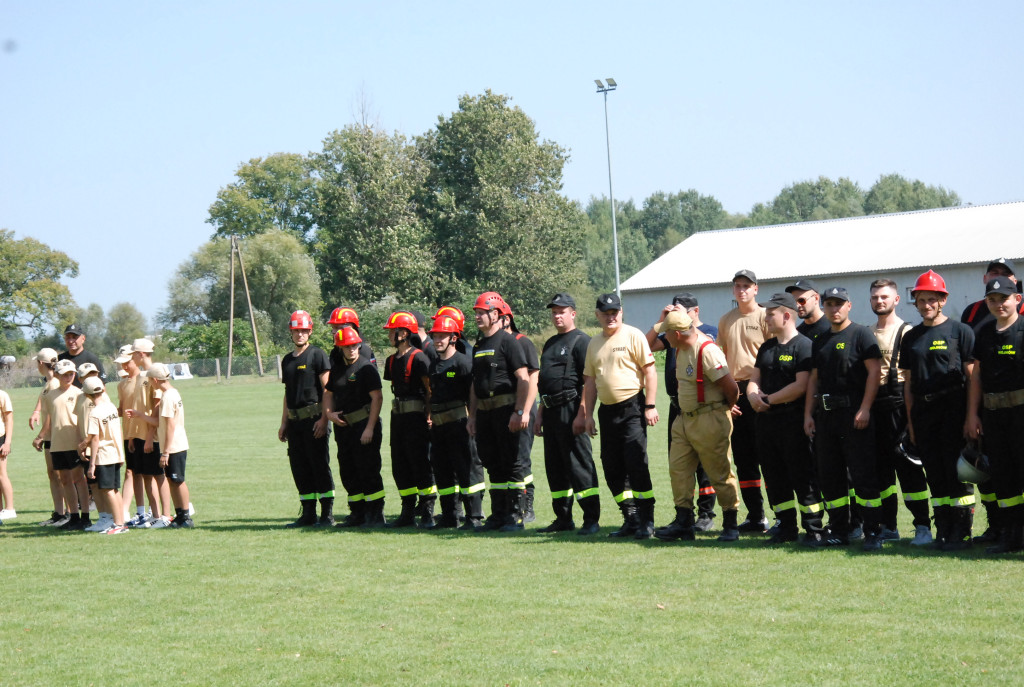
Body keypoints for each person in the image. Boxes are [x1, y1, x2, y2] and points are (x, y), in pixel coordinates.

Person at [803, 287, 884, 551]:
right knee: (830, 475)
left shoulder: (861, 334)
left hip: (854, 415)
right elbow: (814, 380)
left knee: (863, 475)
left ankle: (873, 531)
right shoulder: (821, 340)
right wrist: (808, 414)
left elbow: (875, 373)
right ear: (823, 307)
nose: (834, 309)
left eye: (839, 304)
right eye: (829, 304)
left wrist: (865, 408)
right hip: (826, 417)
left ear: (849, 305)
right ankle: (838, 530)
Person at [899, 270, 975, 550]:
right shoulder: (911, 337)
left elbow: (972, 377)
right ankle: (943, 529)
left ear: (943, 300)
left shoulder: (960, 332)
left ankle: (962, 531)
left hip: (954, 409)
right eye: (921, 299)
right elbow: (908, 383)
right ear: (915, 301)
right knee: (935, 474)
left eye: (933, 299)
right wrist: (911, 423)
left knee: (956, 474)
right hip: (923, 412)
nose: (927, 304)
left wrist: (971, 416)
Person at [652, 309, 742, 542]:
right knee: (678, 470)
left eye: (667, 333)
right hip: (684, 419)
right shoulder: (680, 348)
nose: (665, 338)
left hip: (709, 419)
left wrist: (724, 406)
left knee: (719, 472)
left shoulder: (707, 350)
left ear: (678, 333)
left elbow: (732, 388)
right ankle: (684, 522)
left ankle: (730, 523)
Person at [576, 292, 659, 539]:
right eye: (605, 313)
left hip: (632, 407)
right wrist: (588, 414)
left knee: (636, 464)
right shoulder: (593, 343)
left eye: (614, 312)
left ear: (621, 313)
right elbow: (589, 383)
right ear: (597, 315)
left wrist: (650, 405)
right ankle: (630, 517)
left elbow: (650, 372)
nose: (610, 317)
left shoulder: (633, 335)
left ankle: (646, 520)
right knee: (612, 467)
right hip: (607, 412)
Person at [744, 293, 823, 544]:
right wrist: (753, 396)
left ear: (786, 315)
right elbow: (754, 379)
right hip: (766, 424)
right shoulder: (767, 347)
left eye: (770, 313)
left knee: (802, 475)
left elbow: (801, 386)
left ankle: (813, 529)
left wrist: (767, 400)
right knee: (774, 474)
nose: (765, 317)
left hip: (793, 421)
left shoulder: (804, 346)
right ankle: (785, 526)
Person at [959, 258, 1024, 544]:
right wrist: (972, 415)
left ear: (1017, 299)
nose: (999, 304)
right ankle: (1010, 534)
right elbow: (976, 378)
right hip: (993, 415)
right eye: (993, 299)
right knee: (1002, 475)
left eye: (1005, 298)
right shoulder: (983, 333)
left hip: (1021, 413)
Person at [646, 293, 719, 531]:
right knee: (680, 462)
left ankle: (706, 513)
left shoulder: (709, 332)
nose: (675, 316)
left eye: (680, 310)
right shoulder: (673, 334)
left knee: (705, 463)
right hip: (677, 407)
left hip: (703, 407)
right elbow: (647, 347)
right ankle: (684, 515)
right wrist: (661, 320)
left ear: (694, 311)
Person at [868, 279, 932, 546]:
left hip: (900, 405)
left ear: (896, 300)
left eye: (884, 297)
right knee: (881, 472)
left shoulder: (909, 332)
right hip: (874, 406)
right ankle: (888, 526)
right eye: (874, 297)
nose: (879, 301)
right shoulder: (867, 333)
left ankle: (922, 526)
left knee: (908, 468)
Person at [535, 293, 600, 535]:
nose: (557, 315)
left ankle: (591, 519)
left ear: (573, 313)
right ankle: (563, 518)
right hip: (550, 411)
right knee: (555, 467)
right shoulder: (551, 343)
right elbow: (544, 383)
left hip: (571, 409)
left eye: (561, 311)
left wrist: (583, 414)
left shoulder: (582, 341)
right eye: (554, 312)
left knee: (579, 465)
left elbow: (588, 380)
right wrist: (540, 414)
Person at [467, 291, 531, 531]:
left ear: (495, 315)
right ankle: (498, 515)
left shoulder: (508, 342)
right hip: (484, 414)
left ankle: (515, 516)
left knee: (512, 463)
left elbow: (523, 379)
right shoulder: (479, 345)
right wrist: (472, 416)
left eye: (481, 313)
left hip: (506, 411)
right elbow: (475, 384)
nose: (477, 317)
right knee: (492, 464)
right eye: (476, 313)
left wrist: (519, 411)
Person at [717, 270, 770, 532]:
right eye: (737, 286)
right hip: (734, 391)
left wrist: (764, 393)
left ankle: (783, 514)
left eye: (746, 286)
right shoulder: (726, 320)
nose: (742, 291)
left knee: (768, 456)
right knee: (744, 458)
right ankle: (756, 516)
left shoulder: (764, 317)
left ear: (756, 289)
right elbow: (720, 361)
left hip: (760, 389)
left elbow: (772, 356)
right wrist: (729, 398)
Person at [324, 326, 387, 528]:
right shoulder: (337, 369)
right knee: (348, 470)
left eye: (354, 345)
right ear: (340, 348)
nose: (351, 349)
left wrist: (370, 428)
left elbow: (377, 398)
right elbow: (328, 393)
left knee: (368, 469)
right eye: (347, 346)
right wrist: (328, 414)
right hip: (344, 428)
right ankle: (357, 512)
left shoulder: (366, 367)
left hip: (364, 424)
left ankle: (375, 513)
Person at [428, 315, 485, 529]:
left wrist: (472, 418)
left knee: (467, 468)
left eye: (442, 336)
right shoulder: (433, 365)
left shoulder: (464, 362)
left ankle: (474, 516)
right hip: (439, 426)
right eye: (435, 336)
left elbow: (473, 393)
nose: (438, 340)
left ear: (454, 338)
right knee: (442, 470)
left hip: (459, 424)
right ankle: (449, 515)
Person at [278, 310, 335, 527]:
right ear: (291, 333)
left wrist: (324, 419)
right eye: (296, 331)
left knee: (319, 465)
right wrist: (284, 422)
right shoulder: (287, 360)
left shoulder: (317, 355)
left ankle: (327, 514)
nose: (300, 334)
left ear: (310, 331)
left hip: (314, 420)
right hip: (295, 423)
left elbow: (327, 389)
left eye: (303, 330)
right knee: (300, 467)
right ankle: (308, 513)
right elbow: (287, 393)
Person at [382, 311, 436, 528]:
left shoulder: (420, 358)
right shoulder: (391, 361)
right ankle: (407, 509)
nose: (389, 336)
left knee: (420, 461)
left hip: (416, 417)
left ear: (403, 333)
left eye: (392, 331)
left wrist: (429, 415)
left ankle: (427, 509)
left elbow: (429, 390)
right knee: (400, 462)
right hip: (398, 417)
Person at [33, 359, 90, 530]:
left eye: (71, 373)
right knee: (65, 480)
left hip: (74, 442)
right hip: (58, 443)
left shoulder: (79, 393)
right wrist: (43, 436)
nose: (69, 377)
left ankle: (85, 516)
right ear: (57, 374)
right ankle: (73, 516)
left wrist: (84, 441)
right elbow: (50, 419)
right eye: (65, 374)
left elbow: (83, 418)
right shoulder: (50, 396)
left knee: (79, 479)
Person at [498, 299, 539, 523]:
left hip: (523, 406)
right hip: (505, 408)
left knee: (521, 458)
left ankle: (527, 504)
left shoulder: (522, 342)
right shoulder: (496, 342)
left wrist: (525, 410)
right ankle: (508, 505)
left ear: (507, 319)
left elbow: (533, 377)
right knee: (506, 458)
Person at [125, 338, 173, 527]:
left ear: (141, 354)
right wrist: (132, 435)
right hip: (138, 434)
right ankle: (154, 515)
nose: (132, 357)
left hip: (150, 436)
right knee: (145, 476)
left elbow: (157, 406)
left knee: (158, 475)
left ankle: (166, 515)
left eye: (134, 353)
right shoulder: (139, 376)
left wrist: (148, 436)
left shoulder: (154, 373)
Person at [141, 363, 193, 528]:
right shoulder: (171, 392)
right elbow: (159, 422)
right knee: (171, 480)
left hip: (174, 446)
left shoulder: (168, 397)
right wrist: (140, 416)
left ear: (155, 379)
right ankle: (179, 515)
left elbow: (170, 425)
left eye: (149, 379)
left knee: (178, 480)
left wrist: (165, 452)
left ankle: (186, 516)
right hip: (173, 446)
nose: (149, 382)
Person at [81, 376, 128, 534]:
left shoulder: (95, 413)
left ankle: (119, 524)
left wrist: (92, 464)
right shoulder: (111, 407)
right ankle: (121, 521)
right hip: (115, 452)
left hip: (104, 455)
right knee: (114, 489)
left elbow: (95, 439)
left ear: (87, 395)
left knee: (108, 490)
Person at [115, 344, 152, 527]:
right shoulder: (122, 385)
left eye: (127, 362)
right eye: (121, 363)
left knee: (150, 473)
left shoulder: (145, 379)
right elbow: (121, 409)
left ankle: (155, 511)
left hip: (145, 433)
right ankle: (139, 511)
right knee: (132, 471)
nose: (124, 366)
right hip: (129, 433)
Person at [30, 347, 67, 526]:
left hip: (55, 436)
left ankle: (66, 512)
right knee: (53, 474)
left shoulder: (54, 384)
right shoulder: (49, 383)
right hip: (51, 437)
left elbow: (52, 415)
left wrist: (40, 436)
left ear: (41, 363)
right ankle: (59, 513)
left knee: (59, 475)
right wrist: (37, 411)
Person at [58, 323, 106, 387]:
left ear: (83, 338)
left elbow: (102, 386)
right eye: (68, 337)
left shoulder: (91, 359)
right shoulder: (59, 360)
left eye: (74, 337)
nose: (71, 341)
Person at [0, 385, 13, 522]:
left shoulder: (2, 395)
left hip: (0, 438)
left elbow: (9, 419)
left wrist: (7, 442)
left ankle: (10, 508)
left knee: (1, 474)